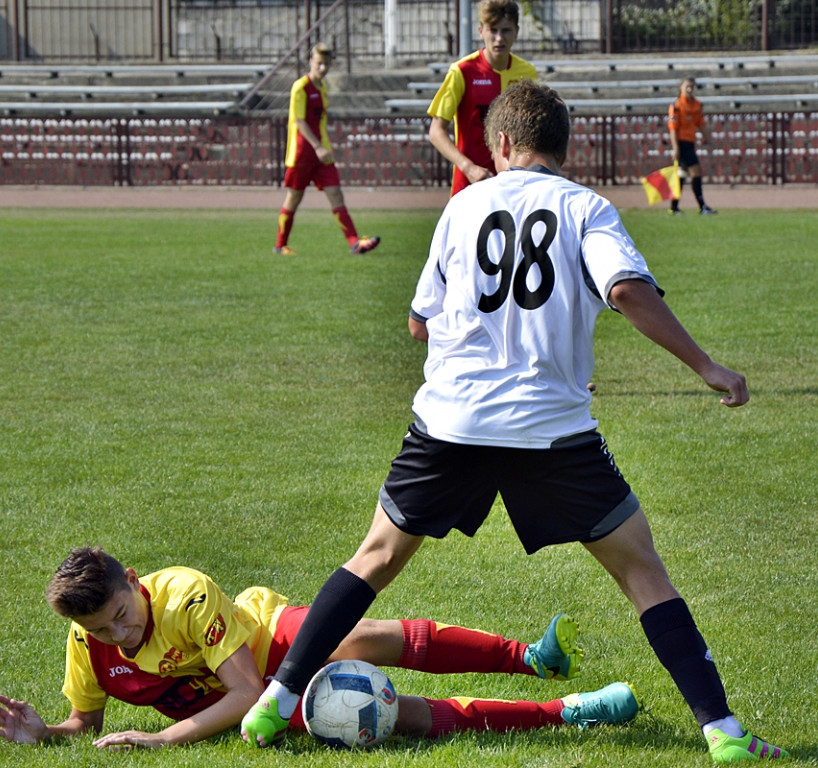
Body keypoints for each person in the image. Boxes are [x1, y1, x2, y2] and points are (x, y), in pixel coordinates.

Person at [242, 80, 787, 763]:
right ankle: (723, 732)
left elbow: (420, 322)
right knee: (642, 571)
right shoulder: (585, 206)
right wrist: (706, 366)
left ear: (500, 143)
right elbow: (624, 289)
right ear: (564, 147)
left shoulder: (462, 206)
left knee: (375, 557)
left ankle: (277, 699)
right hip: (549, 430)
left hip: (451, 423)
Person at [0, 546, 636, 750]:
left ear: (133, 581)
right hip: (256, 704)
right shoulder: (88, 644)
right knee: (398, 717)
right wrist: (48, 733)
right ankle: (568, 711)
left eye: (122, 617)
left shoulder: (184, 594)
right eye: (102, 631)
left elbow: (245, 691)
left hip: (264, 643)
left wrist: (161, 740)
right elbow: (85, 723)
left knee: (360, 637)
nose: (118, 637)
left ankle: (530, 657)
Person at [274, 43, 380, 256]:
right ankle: (280, 245)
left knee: (336, 193)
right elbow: (299, 121)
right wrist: (317, 147)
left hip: (321, 154)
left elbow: (318, 122)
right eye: (319, 63)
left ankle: (355, 243)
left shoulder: (322, 88)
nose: (323, 68)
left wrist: (324, 147)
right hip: (302, 153)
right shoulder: (300, 87)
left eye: (326, 64)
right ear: (311, 62)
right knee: (294, 198)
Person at [427, 0, 537, 196]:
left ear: (516, 32)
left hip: (513, 186)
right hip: (470, 183)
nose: (499, 38)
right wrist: (468, 167)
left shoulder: (527, 73)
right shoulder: (462, 71)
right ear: (481, 31)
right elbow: (436, 131)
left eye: (506, 30)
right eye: (493, 30)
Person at [667, 77, 717, 215]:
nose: (689, 89)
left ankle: (674, 208)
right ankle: (702, 207)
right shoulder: (676, 105)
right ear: (681, 87)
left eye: (691, 87)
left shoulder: (696, 104)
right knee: (696, 172)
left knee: (681, 174)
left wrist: (708, 138)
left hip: (690, 142)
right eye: (687, 86)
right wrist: (676, 148)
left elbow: (700, 123)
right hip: (682, 143)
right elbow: (673, 128)